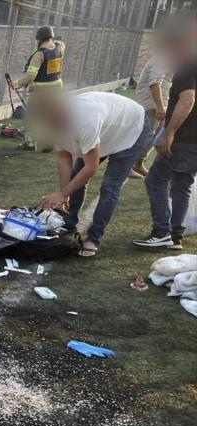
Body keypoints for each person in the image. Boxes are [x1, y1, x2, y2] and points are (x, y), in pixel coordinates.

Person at [31, 91, 152, 257]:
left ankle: (94, 238)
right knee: (75, 179)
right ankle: (68, 222)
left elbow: (91, 167)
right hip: (105, 130)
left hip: (130, 129)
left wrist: (63, 193)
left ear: (59, 111)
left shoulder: (85, 120)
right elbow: (63, 157)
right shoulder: (52, 121)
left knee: (110, 187)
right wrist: (64, 194)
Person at [134, 16, 197, 251]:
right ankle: (175, 235)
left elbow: (188, 98)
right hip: (194, 139)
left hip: (184, 138)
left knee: (156, 180)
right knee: (182, 183)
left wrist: (170, 132)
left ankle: (162, 232)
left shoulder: (188, 66)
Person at [131, 51, 173, 178]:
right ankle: (128, 165)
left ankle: (139, 162)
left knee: (158, 136)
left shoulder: (172, 60)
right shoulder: (162, 58)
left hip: (162, 103)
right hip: (151, 104)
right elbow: (155, 83)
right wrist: (159, 106)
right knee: (146, 135)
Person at [10, 26, 66, 93]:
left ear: (39, 40)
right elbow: (61, 44)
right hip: (58, 89)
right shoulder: (59, 48)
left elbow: (30, 77)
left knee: (31, 104)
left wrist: (15, 84)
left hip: (40, 92)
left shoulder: (39, 54)